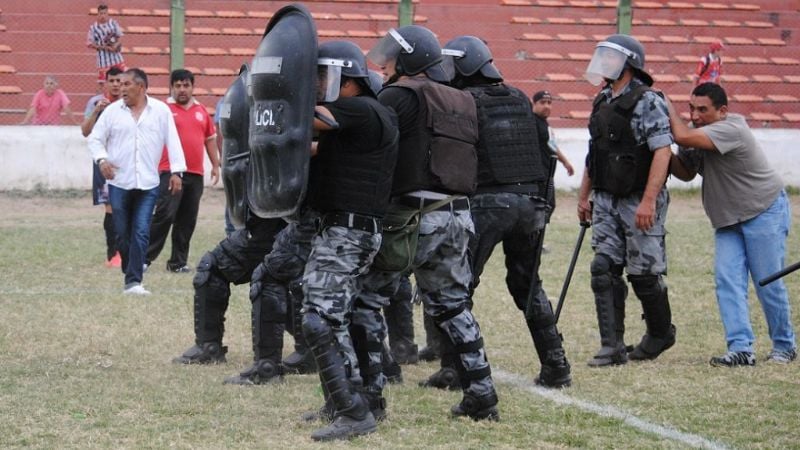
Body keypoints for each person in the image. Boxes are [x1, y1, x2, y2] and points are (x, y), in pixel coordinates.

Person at [359, 25, 499, 421]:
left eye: (391, 58)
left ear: (408, 61)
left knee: (365, 302)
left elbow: (373, 148)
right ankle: (482, 395)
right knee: (454, 306)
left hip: (409, 218)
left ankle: (369, 399)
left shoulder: (398, 95)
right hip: (457, 214)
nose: (384, 66)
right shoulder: (462, 99)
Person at [436, 35, 571, 389]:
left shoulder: (465, 101)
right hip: (530, 204)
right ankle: (556, 365)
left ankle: (454, 369)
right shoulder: (518, 98)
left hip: (488, 204)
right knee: (528, 286)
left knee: (458, 288)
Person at [298, 40, 399, 441]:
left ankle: (354, 412)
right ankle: (349, 401)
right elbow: (315, 146)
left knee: (319, 317)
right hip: (349, 229)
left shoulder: (360, 109)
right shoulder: (362, 118)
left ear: (345, 76)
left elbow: (305, 121)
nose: (319, 84)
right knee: (334, 317)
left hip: (348, 232)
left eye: (322, 76)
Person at [667, 82, 797, 366]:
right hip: (728, 219)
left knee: (767, 281)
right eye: (691, 108)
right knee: (727, 281)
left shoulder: (731, 129)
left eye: (703, 109)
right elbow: (687, 172)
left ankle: (784, 345)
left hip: (763, 210)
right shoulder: (697, 133)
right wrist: (661, 151)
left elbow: (682, 135)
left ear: (723, 111)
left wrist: (664, 107)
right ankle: (741, 348)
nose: (695, 114)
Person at [578, 34, 676, 367]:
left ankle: (661, 333)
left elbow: (662, 152)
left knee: (644, 275)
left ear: (628, 62)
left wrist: (649, 201)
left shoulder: (649, 100)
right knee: (603, 267)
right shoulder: (602, 98)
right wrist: (584, 195)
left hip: (638, 198)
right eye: (601, 56)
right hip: (605, 197)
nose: (603, 62)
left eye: (610, 56)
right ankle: (612, 346)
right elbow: (595, 153)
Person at [87, 68, 186, 295]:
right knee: (122, 234)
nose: (121, 88)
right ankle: (130, 267)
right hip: (119, 183)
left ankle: (134, 282)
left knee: (141, 231)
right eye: (120, 84)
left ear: (141, 87)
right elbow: (95, 139)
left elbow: (173, 140)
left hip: (149, 184)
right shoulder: (112, 112)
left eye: (126, 84)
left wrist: (176, 172)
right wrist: (102, 160)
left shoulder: (160, 111)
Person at [145, 69, 220, 273]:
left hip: (195, 173)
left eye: (186, 85)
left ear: (192, 87)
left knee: (187, 220)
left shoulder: (201, 111)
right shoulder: (163, 110)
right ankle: (143, 258)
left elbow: (210, 140)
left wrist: (215, 164)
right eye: (177, 85)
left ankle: (178, 263)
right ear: (172, 88)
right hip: (170, 171)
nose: (182, 89)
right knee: (165, 214)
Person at [82, 66, 124, 267]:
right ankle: (113, 253)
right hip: (103, 163)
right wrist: (97, 111)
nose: (116, 85)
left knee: (126, 206)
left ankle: (125, 250)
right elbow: (85, 131)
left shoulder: (128, 102)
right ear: (105, 83)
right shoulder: (95, 103)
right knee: (110, 207)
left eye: (119, 81)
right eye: (112, 81)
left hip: (125, 163)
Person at [531, 90, 575, 178]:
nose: (546, 106)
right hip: (537, 175)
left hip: (547, 173)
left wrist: (565, 162)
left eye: (549, 103)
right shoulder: (531, 122)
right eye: (542, 102)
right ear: (534, 104)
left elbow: (551, 144)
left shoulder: (544, 122)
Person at [87, 3, 126, 85]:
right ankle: (102, 97)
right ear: (98, 14)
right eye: (101, 13)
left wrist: (116, 45)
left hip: (116, 57)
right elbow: (90, 44)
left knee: (123, 79)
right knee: (103, 83)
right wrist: (105, 47)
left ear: (107, 13)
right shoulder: (93, 28)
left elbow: (120, 36)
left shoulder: (113, 23)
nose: (103, 15)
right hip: (103, 60)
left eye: (104, 13)